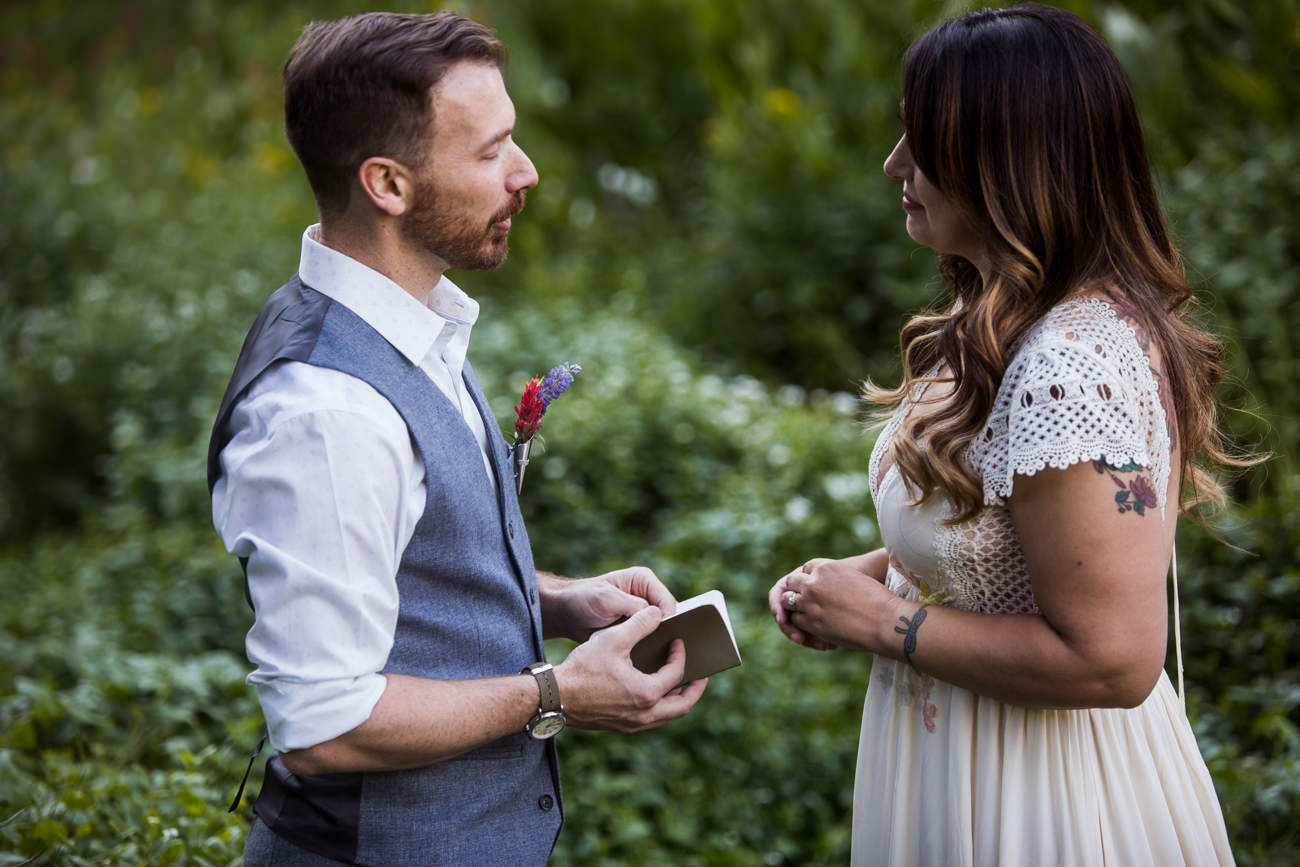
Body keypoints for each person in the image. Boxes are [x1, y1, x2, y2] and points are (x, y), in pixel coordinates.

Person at [207, 11, 706, 866]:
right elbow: (325, 725)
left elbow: (401, 570)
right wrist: (558, 690)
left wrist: (555, 601)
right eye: (490, 152)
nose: (527, 172)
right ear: (388, 185)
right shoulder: (327, 412)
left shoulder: (411, 322)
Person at [768, 5, 1241, 865]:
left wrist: (881, 620)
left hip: (1045, 797)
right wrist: (859, 578)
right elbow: (1003, 549)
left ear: (1006, 161)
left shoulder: (1071, 365)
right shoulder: (1002, 318)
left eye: (924, 142)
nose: (894, 163)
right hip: (966, 764)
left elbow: (1113, 660)